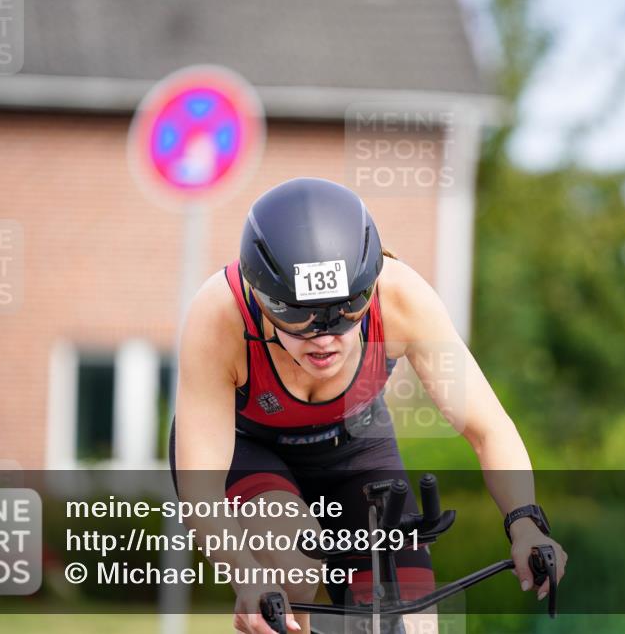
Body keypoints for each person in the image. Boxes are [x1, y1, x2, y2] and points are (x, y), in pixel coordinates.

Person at [170, 177, 567, 634]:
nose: (325, 338)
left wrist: (525, 522)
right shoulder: (219, 314)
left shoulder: (401, 298)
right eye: (299, 317)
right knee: (292, 569)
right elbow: (200, 488)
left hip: (354, 444)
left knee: (410, 620)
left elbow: (487, 428)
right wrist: (246, 574)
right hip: (249, 448)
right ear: (263, 299)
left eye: (347, 312)